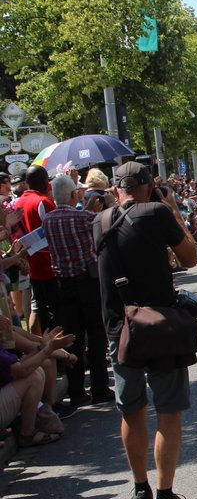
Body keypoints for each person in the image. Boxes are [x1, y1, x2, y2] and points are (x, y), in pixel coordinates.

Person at [93, 161, 197, 499]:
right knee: (167, 410)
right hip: (158, 324)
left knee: (131, 409)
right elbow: (190, 257)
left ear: (116, 189)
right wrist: (171, 208)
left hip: (118, 328)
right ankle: (165, 498)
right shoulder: (156, 211)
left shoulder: (100, 220)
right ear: (148, 186)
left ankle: (141, 491)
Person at [40, 174, 112, 403]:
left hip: (64, 283)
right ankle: (100, 389)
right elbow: (102, 220)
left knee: (74, 336)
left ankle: (76, 390)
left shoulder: (48, 220)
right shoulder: (82, 217)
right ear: (73, 195)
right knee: (97, 333)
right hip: (87, 280)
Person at [19, 165, 61, 334]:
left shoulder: (17, 202)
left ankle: (41, 346)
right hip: (49, 266)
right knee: (55, 313)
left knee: (38, 308)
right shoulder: (43, 202)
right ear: (45, 182)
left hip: (29, 265)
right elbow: (56, 232)